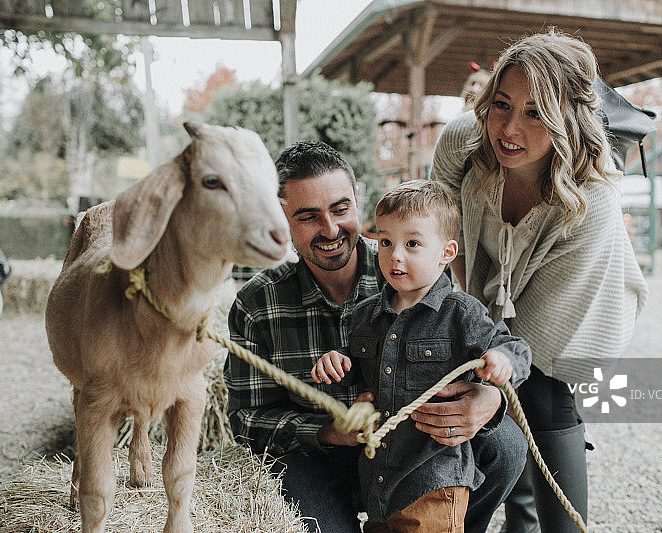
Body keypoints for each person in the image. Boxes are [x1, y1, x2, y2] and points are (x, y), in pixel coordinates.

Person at [224, 141, 529, 533]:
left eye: (340, 209)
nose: (331, 229)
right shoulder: (257, 303)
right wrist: (329, 432)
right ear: (282, 219)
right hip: (323, 457)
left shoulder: (412, 262)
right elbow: (247, 419)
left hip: (412, 445)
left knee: (506, 443)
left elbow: (484, 344)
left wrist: (491, 396)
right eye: (308, 217)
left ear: (356, 202)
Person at [430, 30, 648, 532]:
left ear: (567, 118)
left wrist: (493, 387)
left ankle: (553, 524)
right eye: (502, 104)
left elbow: (533, 338)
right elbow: (438, 236)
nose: (508, 128)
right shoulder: (464, 141)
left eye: (535, 113)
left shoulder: (591, 200)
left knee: (545, 394)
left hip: (574, 307)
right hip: (484, 285)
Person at [311, 180, 531, 532]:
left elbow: (515, 347)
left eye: (412, 244)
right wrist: (337, 361)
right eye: (386, 242)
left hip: (435, 477)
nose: (395, 254)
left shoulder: (461, 313)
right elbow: (358, 369)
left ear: (446, 253)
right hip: (380, 480)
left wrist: (502, 360)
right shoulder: (365, 315)